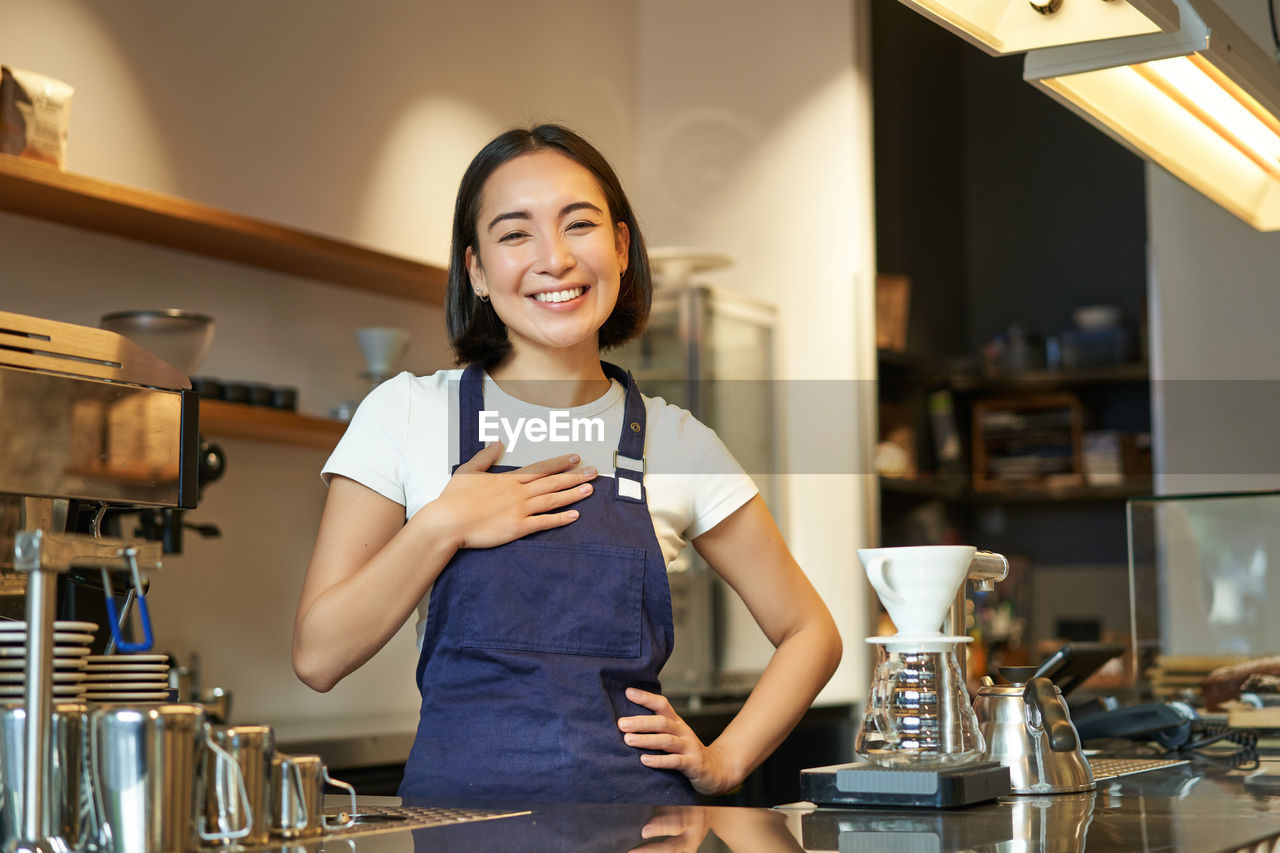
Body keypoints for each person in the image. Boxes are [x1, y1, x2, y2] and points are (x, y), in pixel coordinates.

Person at [293, 124, 841, 805]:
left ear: (619, 245)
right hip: (458, 830)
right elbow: (318, 657)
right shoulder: (406, 413)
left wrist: (725, 759)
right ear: (478, 272)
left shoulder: (677, 441)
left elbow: (810, 631)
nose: (554, 258)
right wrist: (442, 524)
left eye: (578, 224)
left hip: (644, 829)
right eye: (515, 233)